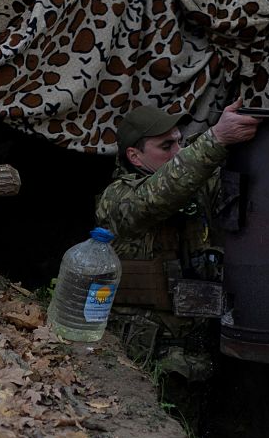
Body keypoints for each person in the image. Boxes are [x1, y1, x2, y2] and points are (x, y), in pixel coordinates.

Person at [95, 100, 259, 380]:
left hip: (195, 346)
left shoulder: (195, 187)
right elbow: (159, 196)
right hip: (139, 353)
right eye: (165, 146)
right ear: (135, 157)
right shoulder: (116, 198)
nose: (178, 151)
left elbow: (240, 188)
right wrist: (215, 138)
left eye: (179, 142)